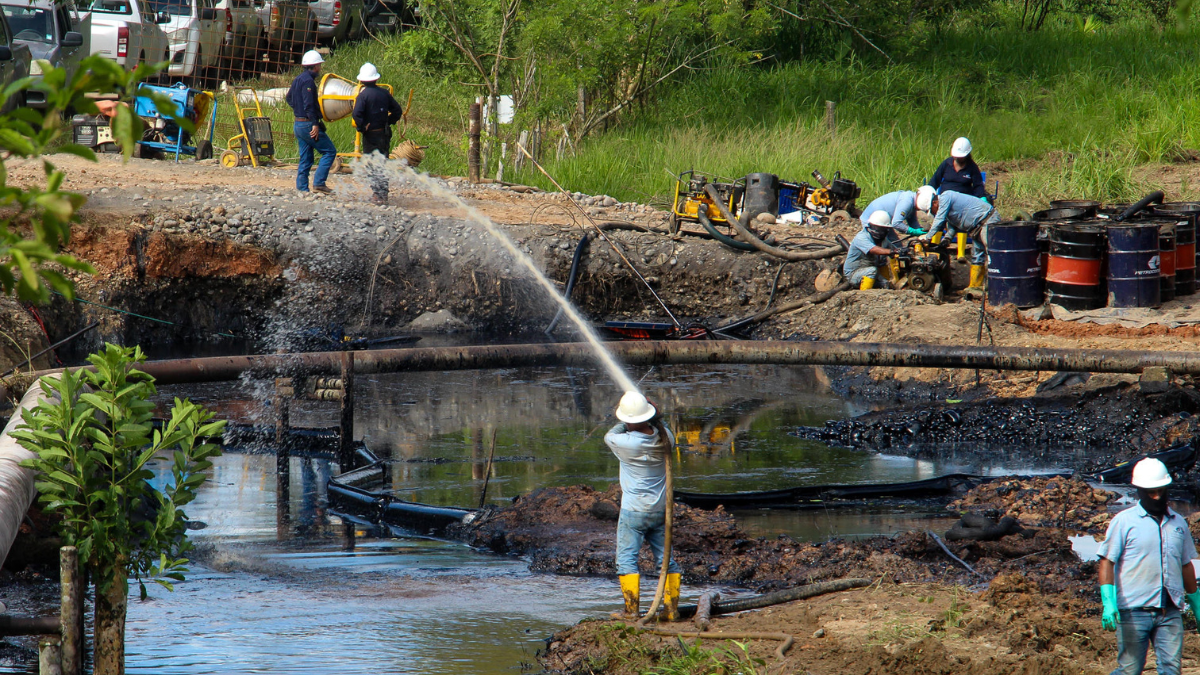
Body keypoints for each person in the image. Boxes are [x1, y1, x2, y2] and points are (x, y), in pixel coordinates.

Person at [1098, 458, 1200, 675]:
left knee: (1171, 669)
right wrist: (1108, 602)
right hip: (1134, 611)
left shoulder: (1178, 524)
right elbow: (1107, 560)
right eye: (1151, 492)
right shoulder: (1124, 522)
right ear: (1140, 491)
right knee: (1130, 670)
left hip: (1170, 610)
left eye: (1161, 491)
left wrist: (1196, 603)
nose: (1157, 497)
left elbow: (1185, 565)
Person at [605, 391, 681, 621]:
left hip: (633, 511)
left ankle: (631, 611)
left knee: (627, 559)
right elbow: (661, 424)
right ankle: (671, 609)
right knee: (665, 558)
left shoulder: (622, 442)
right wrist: (655, 415)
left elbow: (612, 432)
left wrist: (630, 418)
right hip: (660, 509)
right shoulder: (666, 437)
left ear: (627, 419)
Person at [918, 188, 998, 290]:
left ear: (935, 203)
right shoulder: (947, 206)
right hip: (977, 227)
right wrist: (947, 238)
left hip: (987, 220)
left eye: (931, 210)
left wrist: (928, 236)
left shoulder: (946, 197)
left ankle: (998, 284)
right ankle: (974, 288)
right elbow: (953, 224)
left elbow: (939, 220)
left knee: (993, 253)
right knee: (977, 256)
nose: (934, 213)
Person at [351, 62, 404, 205]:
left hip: (371, 135)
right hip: (384, 134)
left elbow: (356, 114)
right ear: (376, 79)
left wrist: (362, 128)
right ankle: (383, 194)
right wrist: (388, 120)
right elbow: (398, 111)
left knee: (372, 164)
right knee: (383, 162)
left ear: (362, 80)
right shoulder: (384, 94)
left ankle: (377, 194)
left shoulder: (363, 96)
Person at [286, 50, 337, 195]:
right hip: (308, 124)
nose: (320, 68)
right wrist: (314, 123)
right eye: (319, 65)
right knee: (329, 151)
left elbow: (289, 98)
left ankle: (302, 189)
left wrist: (298, 112)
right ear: (315, 66)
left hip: (298, 124)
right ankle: (319, 183)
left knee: (306, 157)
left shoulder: (298, 79)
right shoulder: (308, 81)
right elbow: (309, 104)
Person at [844, 210, 901, 290]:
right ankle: (864, 295)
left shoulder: (883, 240)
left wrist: (901, 251)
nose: (879, 231)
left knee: (886, 283)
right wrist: (890, 252)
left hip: (871, 271)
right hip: (854, 273)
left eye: (882, 229)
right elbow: (873, 249)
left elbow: (894, 249)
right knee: (872, 270)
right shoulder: (862, 237)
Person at [857, 186, 935, 236]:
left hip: (884, 223)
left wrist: (919, 229)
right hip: (872, 222)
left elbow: (912, 220)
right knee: (884, 248)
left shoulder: (911, 201)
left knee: (897, 247)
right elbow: (896, 223)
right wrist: (912, 231)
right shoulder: (907, 202)